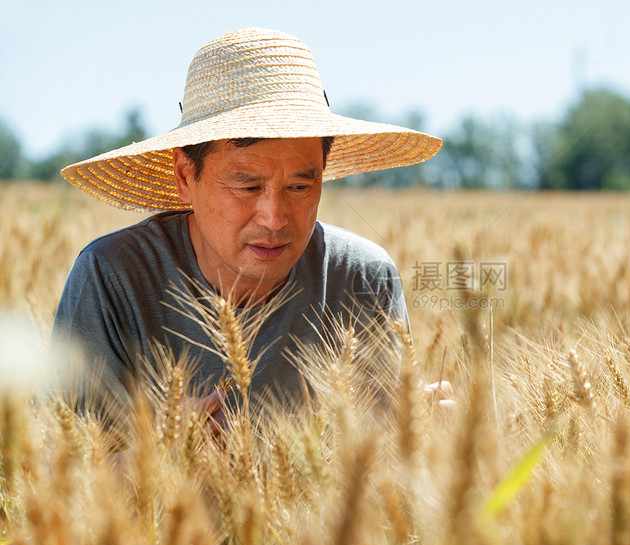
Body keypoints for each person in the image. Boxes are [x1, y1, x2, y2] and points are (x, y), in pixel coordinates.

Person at [50, 27, 452, 431]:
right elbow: (63, 473)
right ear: (185, 176)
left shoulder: (363, 277)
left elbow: (388, 453)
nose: (274, 218)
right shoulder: (111, 277)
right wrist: (163, 450)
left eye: (300, 186)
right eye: (247, 186)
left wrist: (416, 436)